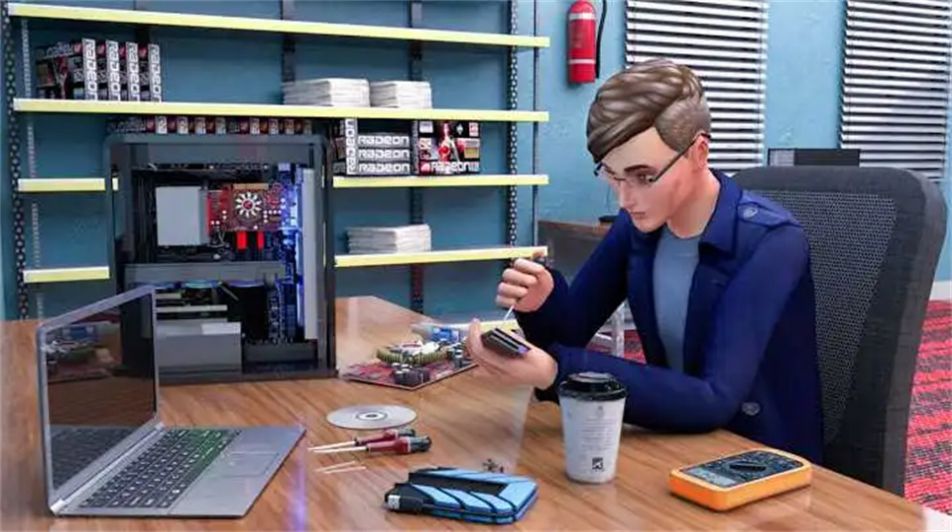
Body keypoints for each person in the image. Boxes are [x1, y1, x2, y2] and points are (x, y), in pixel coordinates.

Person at [466, 59, 824, 463]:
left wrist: (554, 373)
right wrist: (542, 303)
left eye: (644, 176)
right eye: (612, 175)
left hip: (761, 461)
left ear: (699, 152)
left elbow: (715, 397)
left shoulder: (773, 242)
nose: (625, 198)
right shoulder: (637, 229)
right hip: (671, 437)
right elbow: (568, 337)